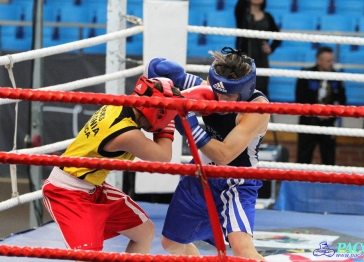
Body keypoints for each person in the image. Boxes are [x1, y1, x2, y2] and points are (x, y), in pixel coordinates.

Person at [145, 47, 270, 260]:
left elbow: (224, 155)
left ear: (246, 89)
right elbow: (160, 70)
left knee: (243, 250)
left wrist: (191, 128)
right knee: (172, 243)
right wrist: (171, 78)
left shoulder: (256, 109)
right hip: (200, 173)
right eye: (218, 91)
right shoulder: (214, 89)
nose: (222, 99)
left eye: (230, 94)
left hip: (236, 181)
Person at [42, 76, 183, 255]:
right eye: (165, 113)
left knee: (144, 232)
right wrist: (169, 123)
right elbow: (163, 156)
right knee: (90, 256)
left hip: (94, 187)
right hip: (67, 193)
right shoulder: (127, 134)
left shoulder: (120, 104)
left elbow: (157, 94)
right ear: (157, 111)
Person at [295, 46, 346, 165]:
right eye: (328, 61)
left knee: (329, 159)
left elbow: (342, 100)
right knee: (303, 159)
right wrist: (317, 112)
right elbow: (300, 99)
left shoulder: (337, 77)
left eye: (332, 60)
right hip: (308, 122)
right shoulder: (306, 75)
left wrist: (330, 114)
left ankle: (329, 184)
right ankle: (300, 183)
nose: (331, 63)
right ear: (319, 61)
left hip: (328, 123)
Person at [235, 0, 281, 97]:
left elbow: (279, 36)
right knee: (241, 90)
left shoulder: (268, 16)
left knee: (262, 91)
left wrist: (271, 48)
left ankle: (264, 112)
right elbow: (239, 6)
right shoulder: (242, 14)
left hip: (262, 60)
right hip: (243, 59)